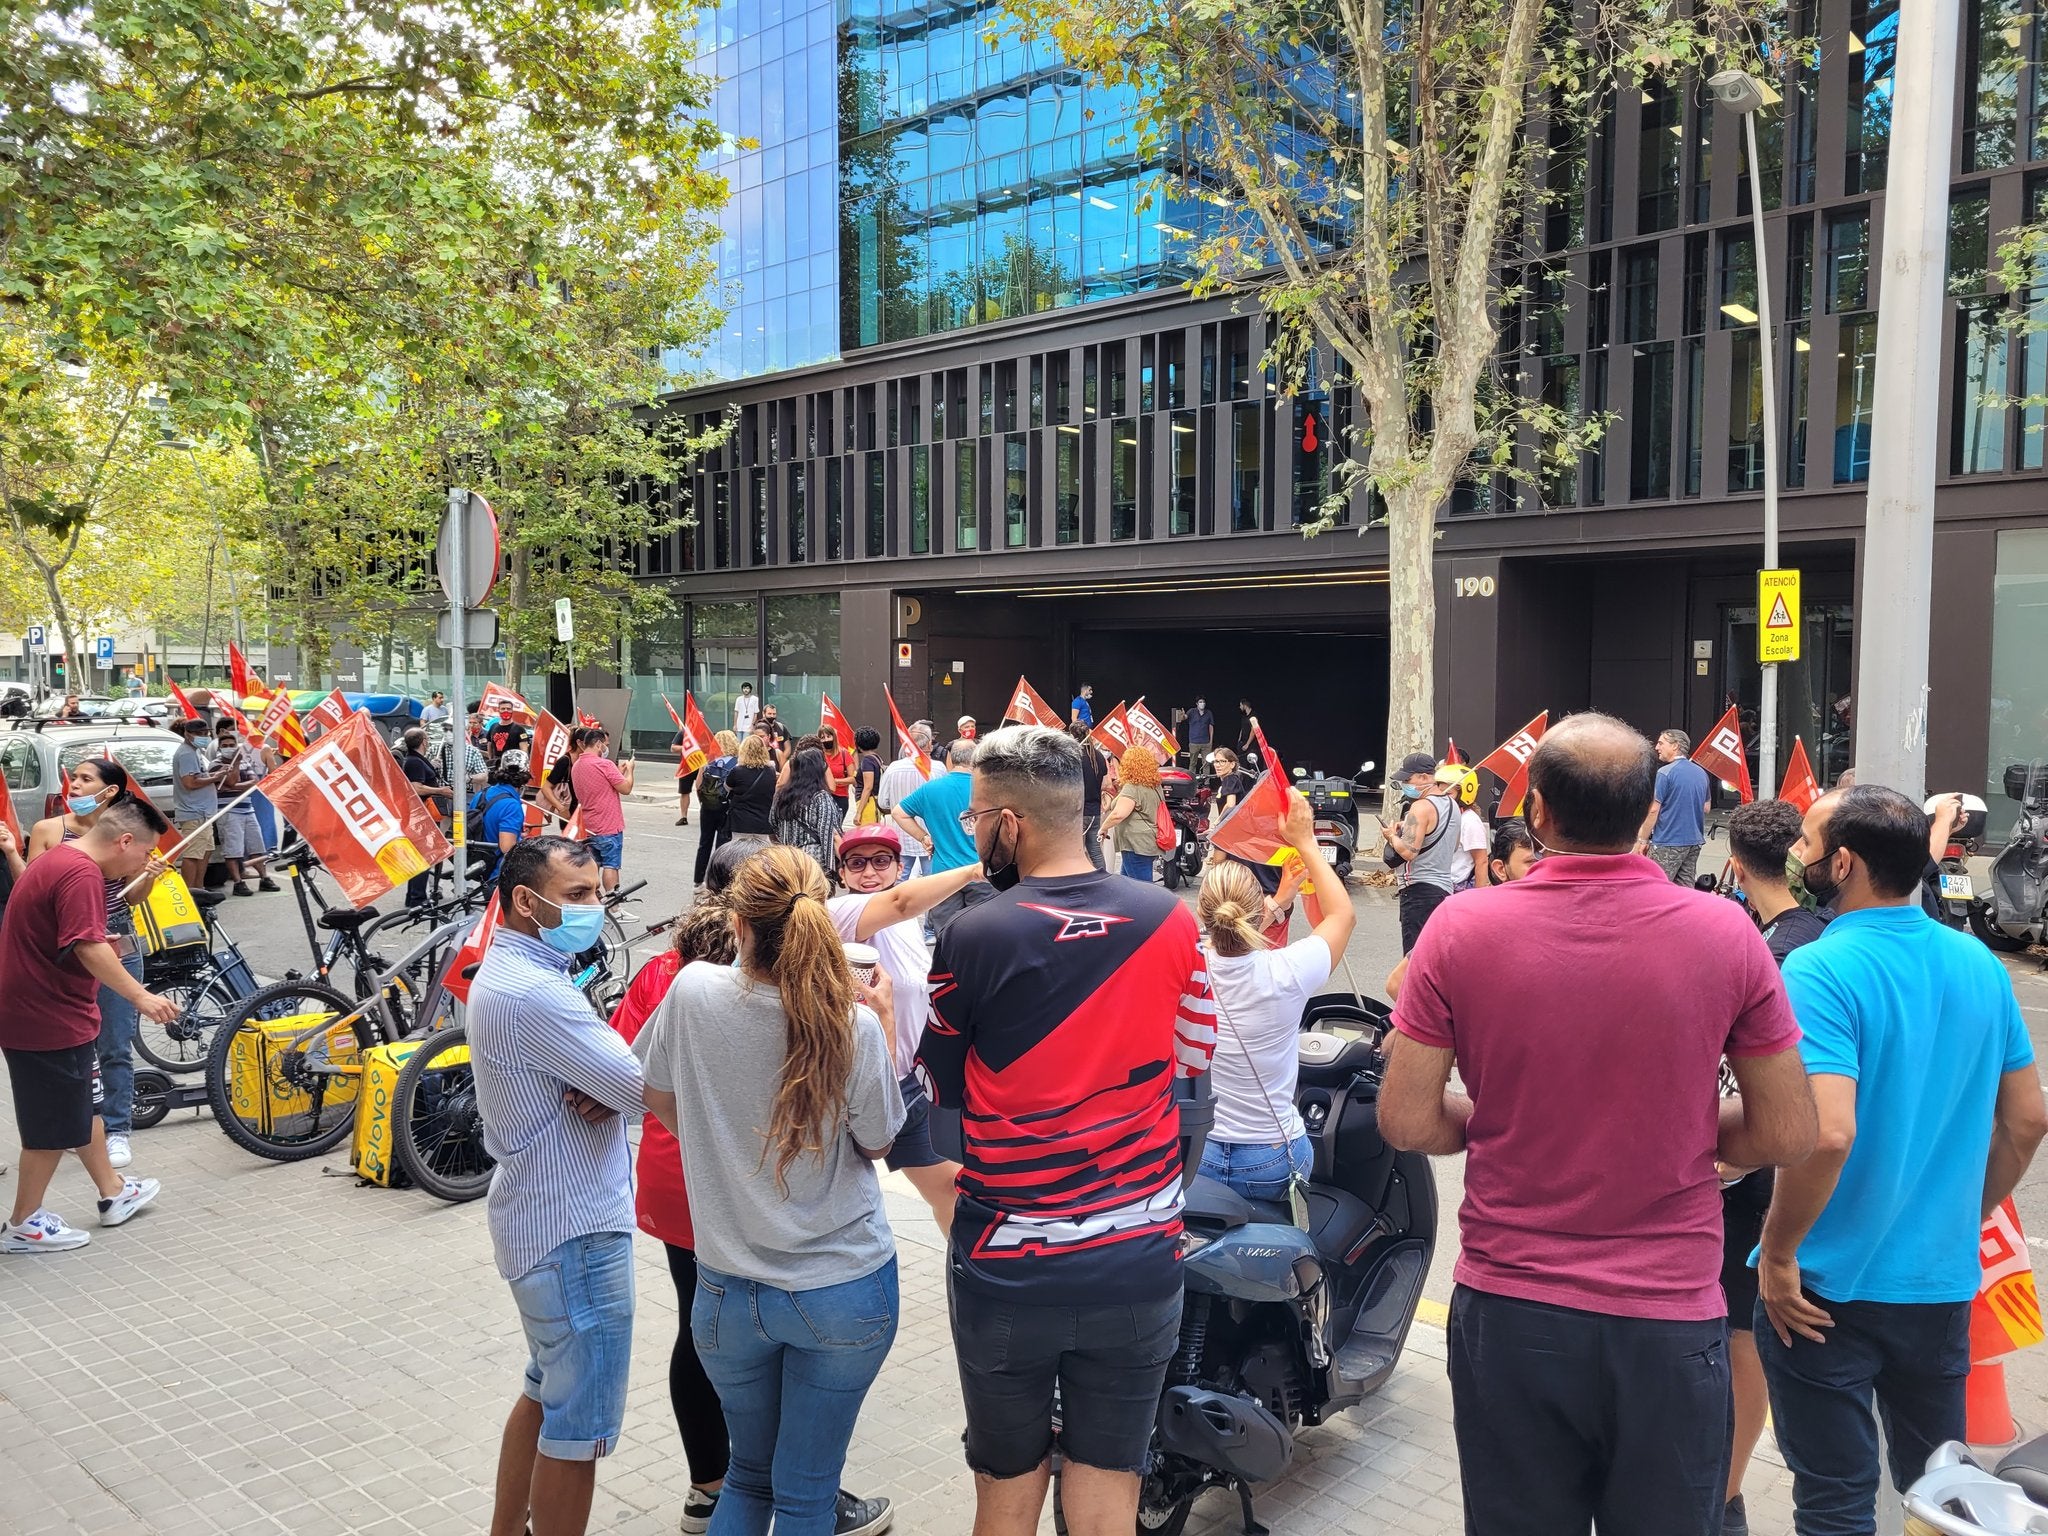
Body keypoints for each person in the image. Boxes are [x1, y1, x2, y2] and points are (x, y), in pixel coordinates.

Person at [1376, 712, 1818, 1536]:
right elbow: (1789, 1130)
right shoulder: (1727, 932)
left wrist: (1502, 1118)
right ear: (1650, 813)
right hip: (1670, 1319)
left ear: (1536, 813)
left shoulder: (1462, 927)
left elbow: (1405, 1120)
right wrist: (1681, 1129)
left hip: (1511, 1309)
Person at [915, 725, 1215, 1536]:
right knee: (1109, 1488)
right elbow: (1195, 1059)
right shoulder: (1171, 919)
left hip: (1008, 1267)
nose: (974, 831)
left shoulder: (972, 935)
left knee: (1006, 1490)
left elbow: (938, 1104)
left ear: (1009, 824)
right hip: (1140, 1260)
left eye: (978, 816)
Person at [1757, 786, 2048, 1536]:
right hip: (1939, 1289)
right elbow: (2028, 1117)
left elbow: (1828, 1133)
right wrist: (1970, 1210)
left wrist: (1781, 1254)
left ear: (1843, 862)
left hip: (1824, 1292)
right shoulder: (1978, 964)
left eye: (1808, 845)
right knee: (1941, 1491)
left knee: (1834, 1499)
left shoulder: (1821, 970)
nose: (1799, 858)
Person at [636, 846, 902, 1536]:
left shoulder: (692, 991)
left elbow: (659, 1095)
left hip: (726, 1292)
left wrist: (719, 1145)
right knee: (807, 1495)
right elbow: (879, 1142)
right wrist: (887, 1019)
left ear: (740, 925)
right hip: (840, 1287)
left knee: (747, 1482)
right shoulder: (856, 1023)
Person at [468, 836, 648, 1536]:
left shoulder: (526, 975)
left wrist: (612, 1081)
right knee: (578, 1431)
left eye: (597, 893)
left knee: (546, 1395)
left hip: (543, 1221)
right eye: (576, 897)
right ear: (524, 902)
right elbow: (640, 1086)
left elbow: (617, 1083)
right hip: (573, 1231)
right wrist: (620, 1082)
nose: (594, 909)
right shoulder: (534, 992)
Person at [1701, 798, 1829, 1535]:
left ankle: (1723, 1492)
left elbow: (1749, 1087)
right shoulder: (1822, 933)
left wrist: (1719, 1166)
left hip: (1757, 1180)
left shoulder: (1778, 953)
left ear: (1740, 867)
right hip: (1794, 1180)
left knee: (1739, 1335)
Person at [0, 798, 177, 1253]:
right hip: (45, 1017)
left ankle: (114, 1191)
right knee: (50, 1129)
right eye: (144, 853)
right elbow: (86, 946)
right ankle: (23, 1224)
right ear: (124, 841)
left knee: (82, 1106)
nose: (145, 863)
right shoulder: (81, 875)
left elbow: (73, 940)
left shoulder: (63, 856)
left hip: (49, 1009)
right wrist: (140, 996)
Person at [1196, 790, 1354, 1201]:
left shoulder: (1185, 965)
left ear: (1203, 915)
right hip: (1272, 1157)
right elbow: (1341, 916)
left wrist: (1280, 899)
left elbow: (1222, 938)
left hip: (1199, 1154)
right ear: (1251, 913)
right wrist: (1306, 842)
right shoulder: (1287, 972)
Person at [828, 824, 984, 1234]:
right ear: (841, 873)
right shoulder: (843, 913)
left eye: (882, 862)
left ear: (899, 866)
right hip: (875, 1083)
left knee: (954, 1187)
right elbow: (898, 902)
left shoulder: (909, 921)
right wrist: (973, 871)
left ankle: (962, 1271)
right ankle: (965, 1275)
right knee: (951, 1187)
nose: (869, 873)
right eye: (856, 863)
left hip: (916, 1077)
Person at [25, 757, 171, 1170]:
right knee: (74, 1046)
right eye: (75, 777)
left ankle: (118, 1129)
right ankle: (81, 1128)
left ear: (109, 792)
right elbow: (32, 888)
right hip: (69, 944)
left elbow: (130, 898)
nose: (75, 785)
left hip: (114, 935)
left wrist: (149, 875)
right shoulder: (52, 832)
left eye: (86, 779)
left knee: (114, 1043)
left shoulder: (125, 834)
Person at [893, 738, 989, 934]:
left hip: (943, 875)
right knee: (983, 935)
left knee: (946, 938)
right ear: (977, 760)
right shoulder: (988, 788)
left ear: (950, 760)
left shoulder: (931, 789)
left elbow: (898, 812)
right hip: (982, 872)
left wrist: (924, 838)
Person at [1380, 752, 1457, 952]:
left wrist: (1391, 836)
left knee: (1413, 959)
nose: (1406, 784)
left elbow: (1408, 851)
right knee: (1434, 955)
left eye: (1408, 779)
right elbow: (1453, 845)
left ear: (1424, 777)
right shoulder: (1452, 806)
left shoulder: (1420, 807)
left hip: (1418, 891)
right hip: (1444, 889)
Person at [1637, 728, 1713, 884]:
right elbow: (1706, 808)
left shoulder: (1665, 773)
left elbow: (1653, 810)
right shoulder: (1701, 773)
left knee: (1656, 887)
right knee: (1685, 890)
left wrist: (1642, 840)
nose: (1657, 747)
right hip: (1694, 841)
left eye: (1661, 743)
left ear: (1675, 746)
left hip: (1668, 841)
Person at [169, 715, 232, 891]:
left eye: (206, 732)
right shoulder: (186, 753)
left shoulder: (195, 751)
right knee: (193, 854)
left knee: (206, 850)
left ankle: (199, 887)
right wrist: (215, 778)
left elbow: (199, 777)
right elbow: (190, 783)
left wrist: (215, 776)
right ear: (188, 734)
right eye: (200, 733)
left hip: (203, 812)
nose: (204, 736)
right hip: (194, 811)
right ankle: (190, 891)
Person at [214, 722, 279, 895]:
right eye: (225, 746)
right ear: (219, 748)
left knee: (256, 845)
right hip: (228, 811)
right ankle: (238, 882)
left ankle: (264, 878)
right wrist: (234, 775)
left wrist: (234, 785)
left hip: (247, 810)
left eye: (231, 745)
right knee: (233, 849)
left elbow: (253, 781)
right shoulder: (215, 764)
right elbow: (227, 783)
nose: (229, 748)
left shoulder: (244, 763)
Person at [569, 729, 635, 893]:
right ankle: (614, 904)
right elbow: (625, 788)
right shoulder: (604, 764)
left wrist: (619, 772)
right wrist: (631, 771)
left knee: (593, 864)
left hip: (589, 825)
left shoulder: (577, 765)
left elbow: (602, 785)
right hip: (608, 826)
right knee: (611, 865)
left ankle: (592, 900)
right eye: (606, 745)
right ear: (598, 744)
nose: (606, 748)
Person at [399, 726, 454, 908]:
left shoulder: (416, 760)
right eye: (427, 739)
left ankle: (415, 895)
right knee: (424, 855)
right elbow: (416, 787)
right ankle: (417, 897)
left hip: (424, 813)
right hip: (423, 814)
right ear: (423, 741)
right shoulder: (414, 762)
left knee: (423, 855)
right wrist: (441, 791)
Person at [771, 746, 844, 873]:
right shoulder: (820, 797)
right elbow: (827, 833)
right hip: (813, 859)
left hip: (789, 858)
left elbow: (773, 822)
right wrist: (832, 867)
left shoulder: (781, 795)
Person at [1099, 745, 1163, 882]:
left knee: (1141, 887)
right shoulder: (1154, 785)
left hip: (1135, 843)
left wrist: (1103, 828)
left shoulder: (1132, 788)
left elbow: (1118, 814)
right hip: (1148, 840)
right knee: (1127, 883)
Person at [471, 752, 532, 884]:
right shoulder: (512, 805)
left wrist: (516, 831)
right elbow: (507, 847)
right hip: (498, 874)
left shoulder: (482, 794)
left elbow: (483, 824)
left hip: (479, 865)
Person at [1436, 763, 1491, 891]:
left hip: (1458, 888)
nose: (1442, 797)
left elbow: (1481, 861)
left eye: (1447, 793)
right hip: (1440, 884)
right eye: (1439, 792)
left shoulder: (1470, 821)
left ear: (1464, 793)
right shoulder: (1444, 815)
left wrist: (1478, 896)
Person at [724, 732, 779, 842]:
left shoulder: (737, 771)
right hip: (762, 823)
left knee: (739, 855)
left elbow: (727, 787)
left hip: (740, 822)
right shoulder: (771, 771)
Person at [1071, 724, 1107, 872]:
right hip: (1095, 812)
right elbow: (1106, 784)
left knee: (1075, 851)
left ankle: (1077, 881)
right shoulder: (1098, 755)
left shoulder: (1073, 755)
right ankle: (1103, 878)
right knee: (1095, 850)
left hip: (1077, 811)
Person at [820, 724, 855, 824]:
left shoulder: (844, 754)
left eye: (828, 736)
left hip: (840, 797)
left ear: (833, 737)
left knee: (836, 829)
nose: (826, 740)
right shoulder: (818, 755)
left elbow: (852, 779)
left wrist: (834, 781)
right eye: (823, 738)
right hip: (822, 797)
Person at [851, 727, 884, 825]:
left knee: (866, 835)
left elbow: (868, 787)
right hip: (874, 802)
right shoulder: (876, 758)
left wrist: (858, 813)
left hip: (868, 804)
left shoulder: (867, 761)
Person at [1208, 747, 1251, 822]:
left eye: (1222, 761)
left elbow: (1230, 805)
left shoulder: (1230, 779)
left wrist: (1217, 822)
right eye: (1216, 761)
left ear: (1232, 764)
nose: (1218, 765)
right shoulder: (1230, 779)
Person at [1184, 696, 1214, 765]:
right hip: (1194, 742)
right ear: (1197, 704)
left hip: (1206, 742)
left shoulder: (1209, 713)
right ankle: (1192, 776)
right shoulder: (1192, 711)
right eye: (1200, 702)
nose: (1202, 703)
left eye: (1203, 702)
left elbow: (1211, 727)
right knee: (1192, 763)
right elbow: (1185, 717)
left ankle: (1206, 776)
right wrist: (1182, 715)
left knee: (1206, 763)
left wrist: (1211, 741)